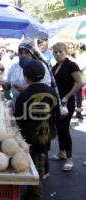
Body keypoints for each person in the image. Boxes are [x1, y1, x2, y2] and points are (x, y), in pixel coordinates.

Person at [14, 59, 58, 200]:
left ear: (26, 77)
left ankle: (36, 194)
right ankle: (35, 189)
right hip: (46, 134)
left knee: (32, 165)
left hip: (29, 136)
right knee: (40, 159)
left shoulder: (24, 96)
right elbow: (56, 113)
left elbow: (18, 118)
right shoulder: (51, 92)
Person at [50, 42, 83, 172]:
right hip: (57, 103)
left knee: (64, 129)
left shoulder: (71, 65)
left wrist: (68, 96)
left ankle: (70, 159)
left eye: (60, 52)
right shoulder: (55, 66)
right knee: (59, 128)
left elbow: (79, 82)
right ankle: (61, 153)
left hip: (66, 103)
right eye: (55, 52)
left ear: (66, 52)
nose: (57, 54)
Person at [0, 39, 52, 106]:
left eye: (27, 52)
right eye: (21, 52)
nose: (23, 55)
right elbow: (8, 86)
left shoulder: (40, 66)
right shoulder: (14, 67)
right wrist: (4, 85)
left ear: (32, 53)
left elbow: (46, 86)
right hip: (16, 105)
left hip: (35, 107)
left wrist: (28, 88)